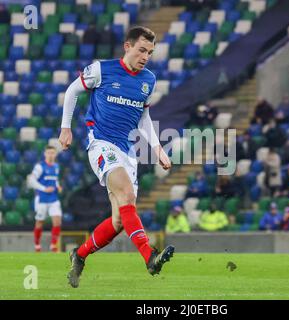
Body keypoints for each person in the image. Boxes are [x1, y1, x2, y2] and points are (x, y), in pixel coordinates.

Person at [59, 26, 174, 288]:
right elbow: (72, 91)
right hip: (101, 144)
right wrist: (65, 128)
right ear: (127, 46)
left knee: (120, 220)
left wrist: (157, 149)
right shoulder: (102, 69)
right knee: (127, 196)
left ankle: (79, 255)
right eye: (142, 50)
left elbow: (143, 117)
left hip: (127, 151)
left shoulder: (149, 80)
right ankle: (149, 256)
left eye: (150, 52)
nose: (145, 56)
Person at [28, 146, 63, 252]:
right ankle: (37, 245)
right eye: (49, 153)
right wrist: (44, 188)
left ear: (55, 154)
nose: (51, 155)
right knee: (40, 222)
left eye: (53, 153)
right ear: (45, 154)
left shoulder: (56, 166)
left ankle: (53, 245)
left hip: (53, 198)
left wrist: (57, 186)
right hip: (42, 198)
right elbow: (31, 181)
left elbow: (54, 179)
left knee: (57, 221)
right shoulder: (40, 167)